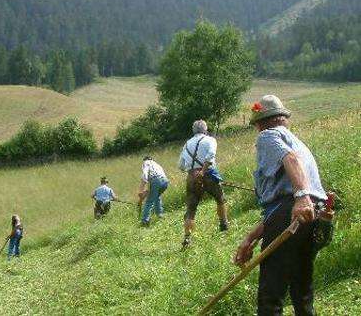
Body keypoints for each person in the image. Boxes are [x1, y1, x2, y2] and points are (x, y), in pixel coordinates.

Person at [233, 95, 327, 316]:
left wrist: (302, 196)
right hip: (312, 213)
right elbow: (284, 205)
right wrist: (252, 236)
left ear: (259, 122)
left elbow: (290, 165)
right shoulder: (298, 142)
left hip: (295, 209)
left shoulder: (267, 136)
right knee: (300, 283)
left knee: (271, 291)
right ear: (283, 117)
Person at [178, 120, 229, 248]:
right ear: (205, 130)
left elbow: (181, 165)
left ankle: (187, 238)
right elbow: (211, 155)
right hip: (209, 174)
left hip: (192, 177)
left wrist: (193, 171)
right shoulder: (210, 140)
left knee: (191, 209)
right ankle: (224, 225)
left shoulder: (187, 144)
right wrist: (203, 171)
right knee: (220, 199)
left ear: (193, 131)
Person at [138, 156, 169, 226]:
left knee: (149, 202)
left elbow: (144, 176)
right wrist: (146, 191)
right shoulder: (157, 164)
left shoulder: (146, 163)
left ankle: (144, 221)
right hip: (165, 181)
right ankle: (160, 215)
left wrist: (140, 191)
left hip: (156, 180)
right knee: (157, 197)